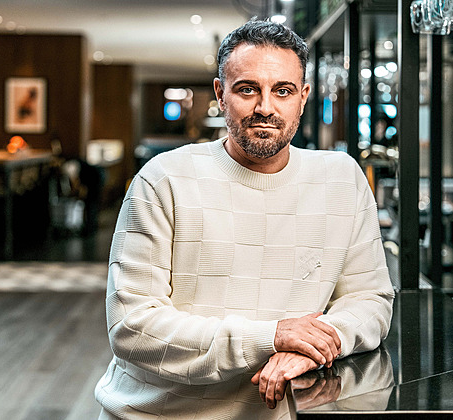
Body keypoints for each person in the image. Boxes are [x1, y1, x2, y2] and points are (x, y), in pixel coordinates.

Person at [95, 19, 394, 420]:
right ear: (221, 94)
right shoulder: (164, 178)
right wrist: (272, 337)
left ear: (303, 97)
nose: (265, 107)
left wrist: (317, 346)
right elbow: (132, 327)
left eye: (283, 91)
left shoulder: (341, 179)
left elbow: (370, 300)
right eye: (247, 89)